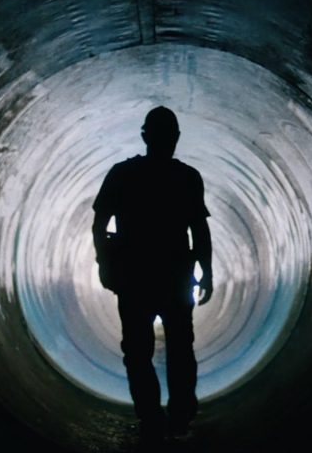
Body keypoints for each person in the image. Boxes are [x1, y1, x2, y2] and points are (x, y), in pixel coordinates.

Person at [92, 106, 214, 442]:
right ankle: (177, 417)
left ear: (145, 136)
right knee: (178, 347)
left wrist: (105, 262)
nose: (168, 141)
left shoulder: (122, 174)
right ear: (170, 137)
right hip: (173, 276)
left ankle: (152, 417)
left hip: (135, 278)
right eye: (167, 136)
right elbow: (199, 230)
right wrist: (207, 272)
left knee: (138, 350)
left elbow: (100, 223)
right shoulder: (187, 177)